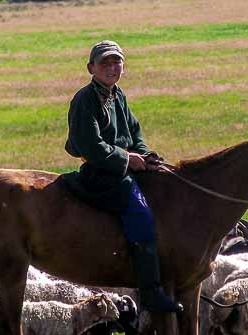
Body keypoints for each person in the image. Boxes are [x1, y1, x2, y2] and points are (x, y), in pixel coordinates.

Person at [63, 40, 182, 313]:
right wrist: (128, 159)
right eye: (105, 63)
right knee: (140, 211)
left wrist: (146, 155)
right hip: (100, 173)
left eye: (116, 62)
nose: (111, 67)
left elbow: (134, 134)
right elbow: (91, 146)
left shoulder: (118, 95)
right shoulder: (85, 99)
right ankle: (150, 291)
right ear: (90, 67)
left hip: (122, 166)